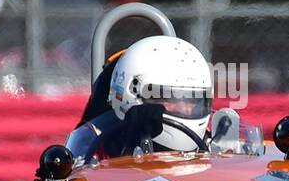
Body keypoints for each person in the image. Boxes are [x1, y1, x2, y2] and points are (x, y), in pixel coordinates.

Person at [67, 34, 214, 159]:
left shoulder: (216, 142)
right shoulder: (94, 146)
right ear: (130, 92)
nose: (185, 109)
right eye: (170, 97)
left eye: (193, 100)